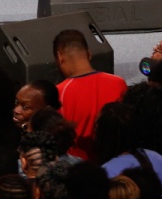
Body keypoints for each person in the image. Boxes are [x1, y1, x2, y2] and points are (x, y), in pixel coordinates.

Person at [53, 28, 126, 160]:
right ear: (89, 54)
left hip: (79, 169)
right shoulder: (119, 83)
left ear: (59, 56)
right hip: (117, 163)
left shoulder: (59, 92)